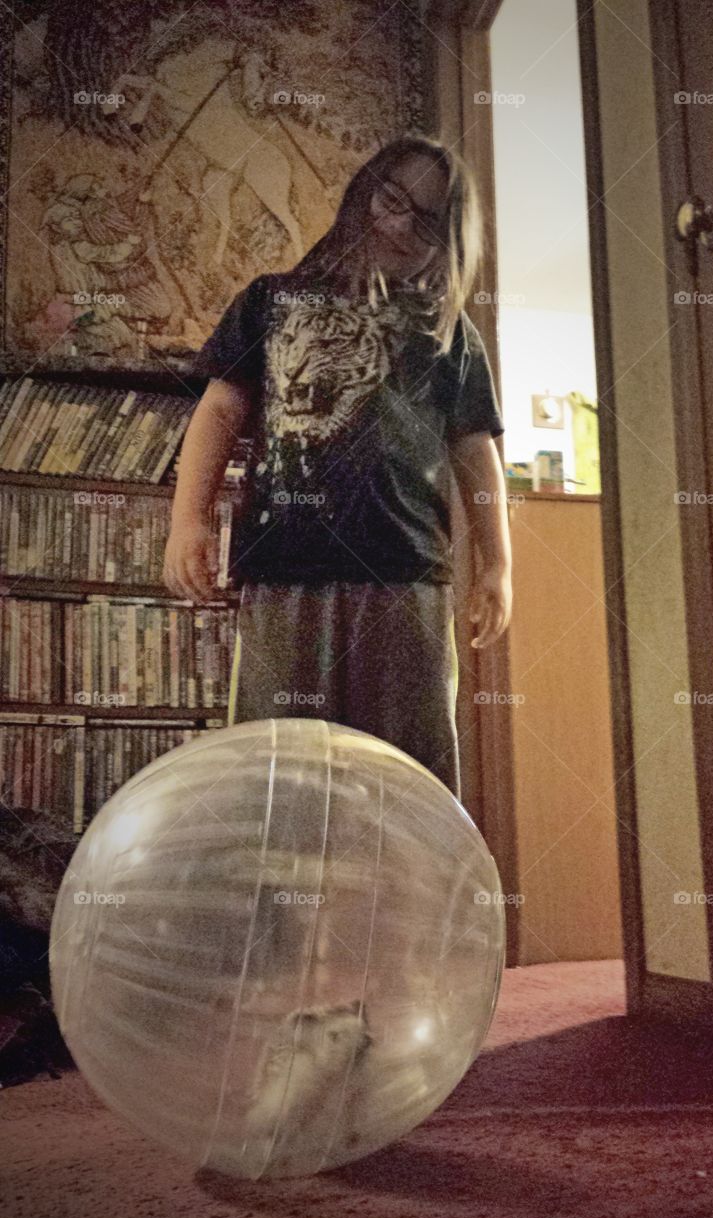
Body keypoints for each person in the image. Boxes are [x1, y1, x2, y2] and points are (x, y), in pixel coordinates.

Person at [162, 134, 512, 800]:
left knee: (403, 780)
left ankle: (401, 903)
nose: (404, 224)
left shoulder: (446, 329)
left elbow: (475, 450)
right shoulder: (269, 302)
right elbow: (217, 413)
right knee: (279, 772)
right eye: (393, 200)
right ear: (363, 196)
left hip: (404, 579)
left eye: (430, 218)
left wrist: (498, 565)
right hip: (284, 571)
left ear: (452, 239)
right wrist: (189, 520)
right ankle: (287, 903)